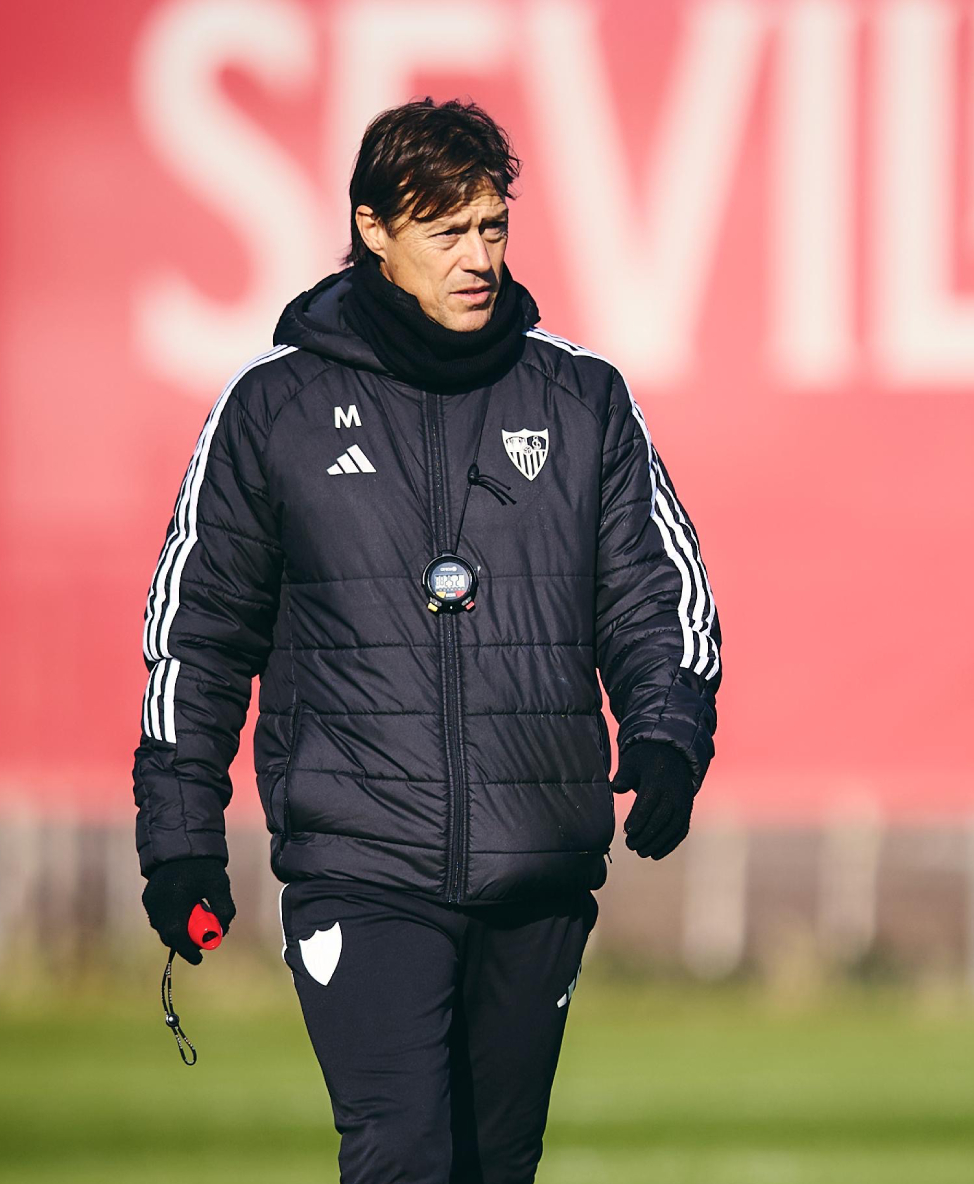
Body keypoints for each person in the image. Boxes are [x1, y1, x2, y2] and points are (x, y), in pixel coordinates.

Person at [132, 98, 721, 1181]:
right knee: (401, 1152)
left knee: (494, 1166)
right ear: (373, 230)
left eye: (492, 228)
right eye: (447, 232)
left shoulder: (583, 398)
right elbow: (198, 637)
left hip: (537, 861)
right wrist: (179, 841)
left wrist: (670, 736)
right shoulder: (276, 408)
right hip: (359, 862)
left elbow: (657, 596)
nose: (478, 256)